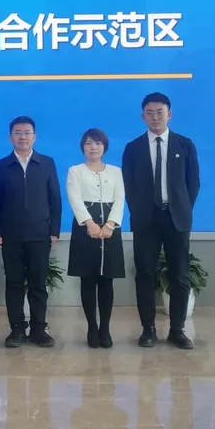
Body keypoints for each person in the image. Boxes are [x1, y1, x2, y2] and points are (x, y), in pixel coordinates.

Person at [121, 92, 200, 350]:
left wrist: (181, 209)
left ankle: (177, 330)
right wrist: (139, 211)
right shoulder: (133, 148)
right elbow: (128, 185)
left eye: (160, 112)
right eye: (150, 113)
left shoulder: (185, 145)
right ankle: (148, 329)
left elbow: (193, 184)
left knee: (180, 274)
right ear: (143, 116)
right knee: (145, 273)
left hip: (176, 219)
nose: (155, 117)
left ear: (170, 114)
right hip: (146, 220)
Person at [0, 116, 62, 348]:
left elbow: (55, 199)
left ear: (34, 136)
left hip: (40, 234)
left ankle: (39, 328)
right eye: (18, 132)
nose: (22, 137)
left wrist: (54, 229)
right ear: (10, 137)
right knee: (13, 283)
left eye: (27, 132)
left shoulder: (47, 163)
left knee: (38, 284)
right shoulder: (1, 165)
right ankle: (17, 329)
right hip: (10, 235)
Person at [65, 129, 126, 349]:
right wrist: (89, 223)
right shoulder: (75, 171)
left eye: (98, 143)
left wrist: (110, 224)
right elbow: (75, 199)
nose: (93, 147)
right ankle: (92, 327)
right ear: (83, 146)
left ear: (104, 147)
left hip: (110, 228)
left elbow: (120, 199)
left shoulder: (116, 171)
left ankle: (105, 329)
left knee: (107, 280)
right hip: (85, 228)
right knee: (88, 280)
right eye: (89, 143)